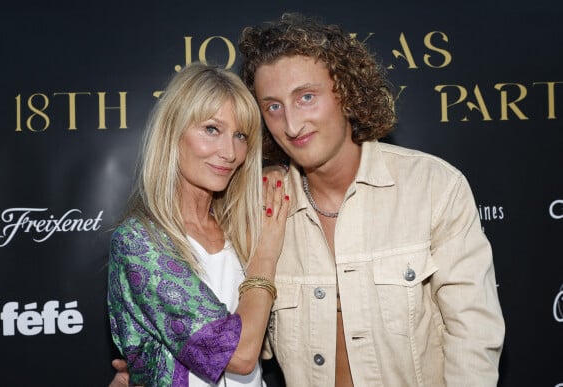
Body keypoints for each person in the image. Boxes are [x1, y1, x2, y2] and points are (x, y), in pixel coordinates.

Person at [111, 12, 505, 387]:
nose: (292, 125)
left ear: (346, 94)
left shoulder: (434, 187)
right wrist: (153, 358)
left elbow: (474, 337)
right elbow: (241, 336)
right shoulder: (260, 211)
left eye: (306, 97)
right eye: (274, 107)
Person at [107, 62, 289, 387]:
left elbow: (271, 338)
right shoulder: (140, 241)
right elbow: (240, 356)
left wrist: (276, 172)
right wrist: (264, 257)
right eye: (211, 130)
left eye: (240, 136)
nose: (230, 152)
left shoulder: (239, 225)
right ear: (173, 132)